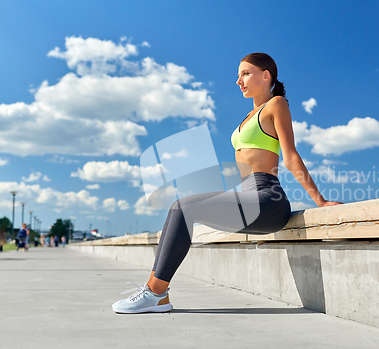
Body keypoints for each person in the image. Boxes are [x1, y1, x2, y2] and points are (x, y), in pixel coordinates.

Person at [112, 53, 343, 314]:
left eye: (245, 73)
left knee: (183, 208)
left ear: (266, 75)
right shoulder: (248, 116)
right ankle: (155, 293)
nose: (239, 81)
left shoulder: (276, 104)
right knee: (178, 210)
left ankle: (155, 292)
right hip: (248, 196)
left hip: (268, 201)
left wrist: (320, 200)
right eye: (238, 75)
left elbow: (290, 155)